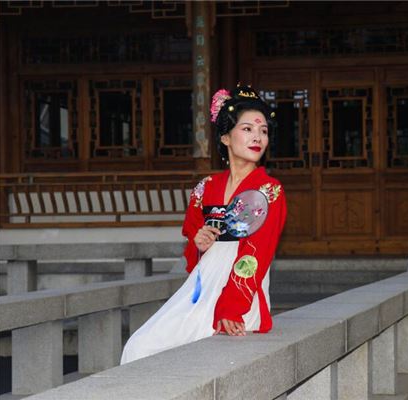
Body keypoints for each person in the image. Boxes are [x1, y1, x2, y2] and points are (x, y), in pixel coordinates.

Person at [120, 85, 287, 364]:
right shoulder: (206, 187)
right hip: (202, 287)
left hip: (240, 295)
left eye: (263, 131)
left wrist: (230, 308)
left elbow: (256, 254)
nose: (257, 137)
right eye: (247, 129)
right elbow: (193, 243)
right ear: (225, 137)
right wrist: (200, 244)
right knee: (139, 347)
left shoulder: (269, 190)